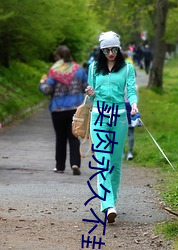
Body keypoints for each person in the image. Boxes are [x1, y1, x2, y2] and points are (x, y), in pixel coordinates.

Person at [85, 31, 138, 223]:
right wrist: (90, 92)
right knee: (103, 162)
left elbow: (131, 90)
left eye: (114, 49)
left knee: (115, 163)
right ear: (101, 50)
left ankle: (112, 202)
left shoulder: (127, 68)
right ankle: (107, 205)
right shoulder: (93, 68)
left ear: (119, 48)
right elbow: (91, 97)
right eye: (106, 50)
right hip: (99, 116)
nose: (110, 53)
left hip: (120, 118)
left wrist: (133, 104)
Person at [39, 45, 88, 175]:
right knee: (74, 137)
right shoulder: (79, 70)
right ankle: (75, 163)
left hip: (58, 109)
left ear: (58, 57)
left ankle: (60, 166)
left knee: (60, 138)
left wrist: (42, 83)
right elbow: (86, 87)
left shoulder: (54, 71)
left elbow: (47, 90)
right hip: (75, 109)